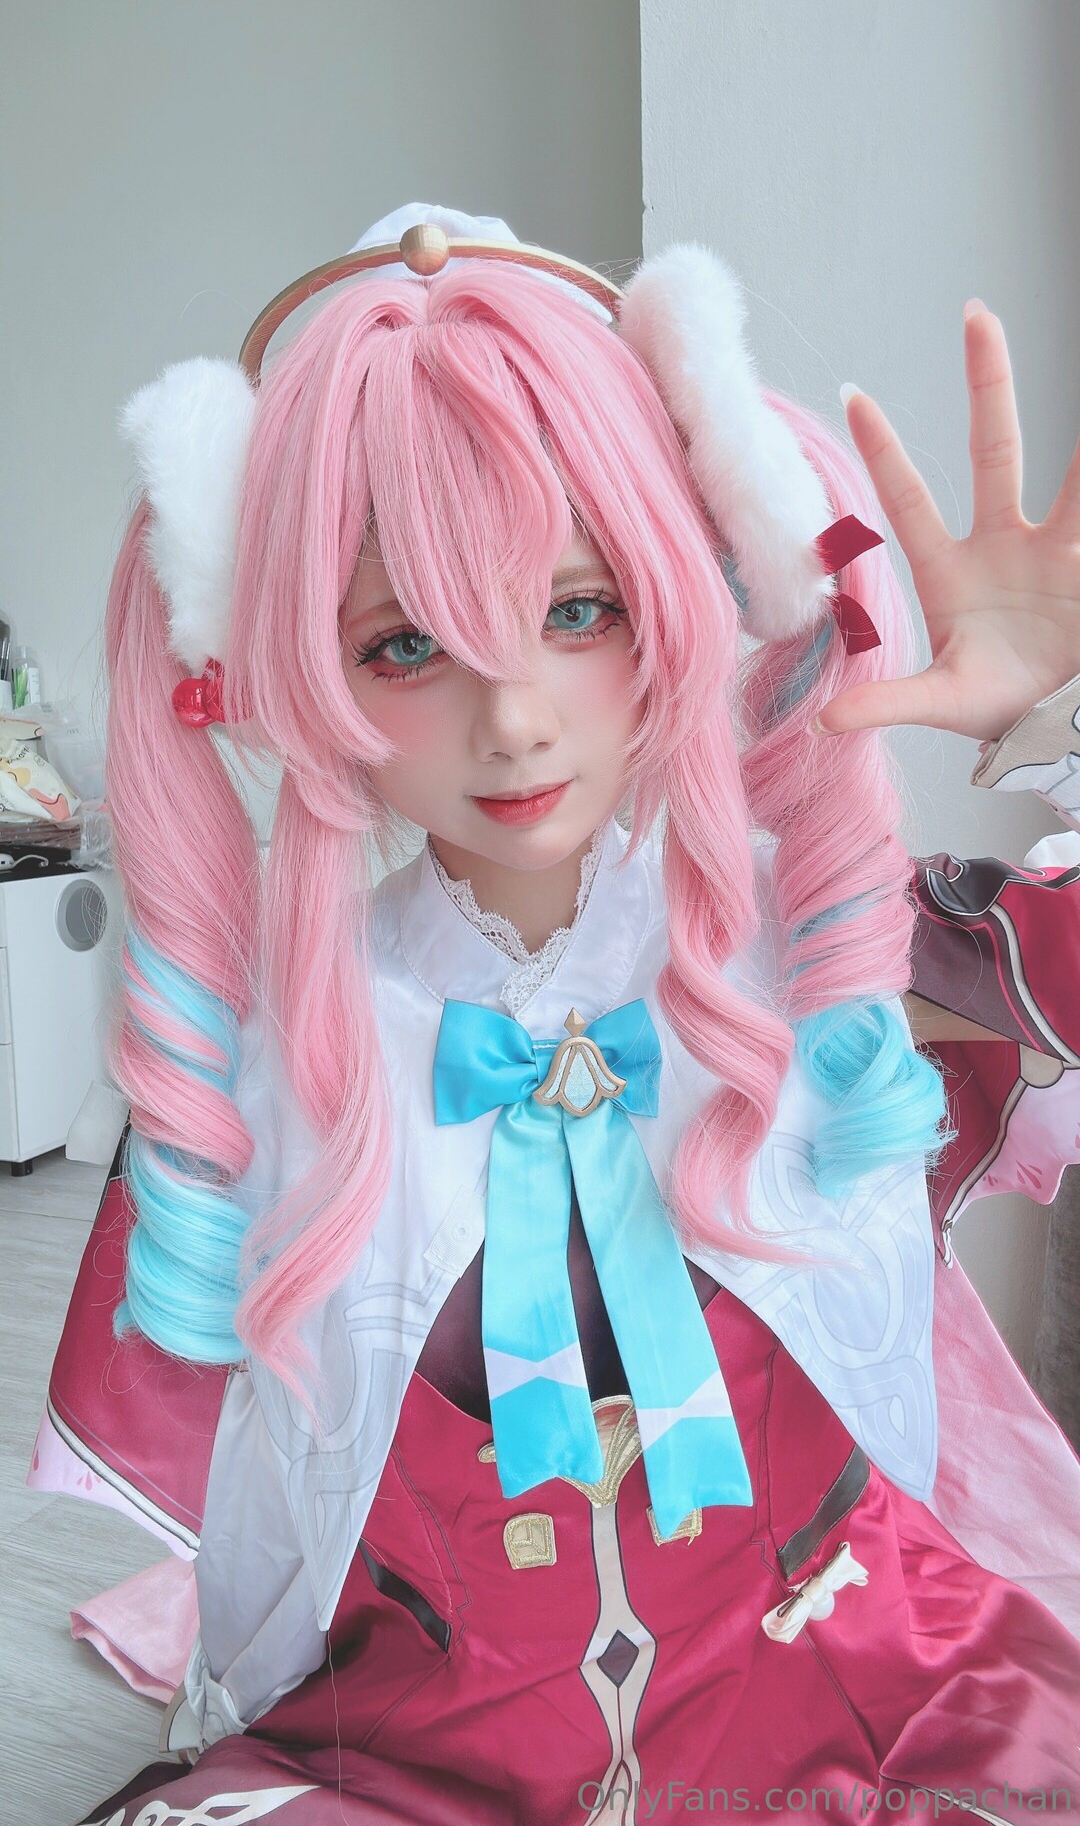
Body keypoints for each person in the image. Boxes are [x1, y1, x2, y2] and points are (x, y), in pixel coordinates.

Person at [52, 205, 1080, 1824]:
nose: (515, 716)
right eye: (405, 644)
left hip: (850, 1682)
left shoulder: (819, 954)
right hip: (427, 1749)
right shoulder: (287, 1053)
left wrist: (1056, 721)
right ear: (292, 670)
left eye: (578, 610)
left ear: (683, 587)